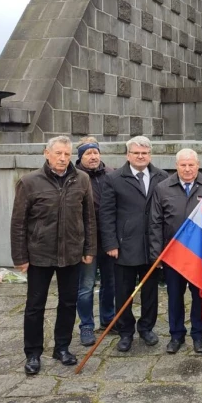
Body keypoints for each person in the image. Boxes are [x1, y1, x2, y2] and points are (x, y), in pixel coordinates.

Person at [11, 135, 96, 375]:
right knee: (35, 305)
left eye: (67, 154)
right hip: (40, 254)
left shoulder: (82, 179)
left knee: (68, 303)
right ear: (46, 153)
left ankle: (62, 347)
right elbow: (18, 223)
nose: (62, 158)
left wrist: (89, 249)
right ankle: (33, 353)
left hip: (71, 254)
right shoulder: (29, 182)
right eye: (58, 153)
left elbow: (89, 218)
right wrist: (20, 257)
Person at [100, 136, 167, 352]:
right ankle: (125, 331)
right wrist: (111, 243)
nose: (141, 156)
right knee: (123, 292)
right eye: (136, 153)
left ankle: (146, 328)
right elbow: (107, 214)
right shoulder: (114, 179)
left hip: (152, 246)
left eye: (145, 153)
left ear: (150, 155)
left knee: (150, 292)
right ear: (128, 155)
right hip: (124, 246)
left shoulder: (162, 177)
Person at [149, 148, 202, 354]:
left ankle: (198, 335)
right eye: (183, 165)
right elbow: (155, 223)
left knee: (199, 296)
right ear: (176, 166)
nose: (187, 169)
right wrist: (156, 254)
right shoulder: (162, 188)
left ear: (198, 165)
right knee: (174, 296)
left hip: (198, 255)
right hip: (173, 255)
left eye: (191, 165)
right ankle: (176, 335)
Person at [74, 136, 115, 347]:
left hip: (108, 239)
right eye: (88, 153)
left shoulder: (111, 174)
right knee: (86, 286)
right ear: (81, 156)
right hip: (86, 242)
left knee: (110, 283)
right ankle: (86, 326)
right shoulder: (74, 177)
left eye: (95, 152)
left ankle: (108, 319)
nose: (93, 156)